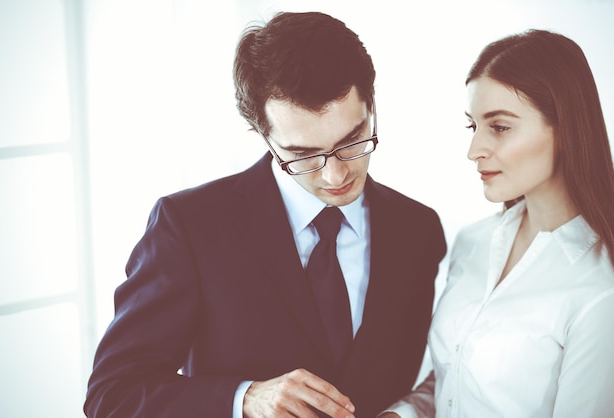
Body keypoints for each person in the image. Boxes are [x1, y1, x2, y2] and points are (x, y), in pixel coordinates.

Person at [84, 11, 446, 418]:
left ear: (371, 105)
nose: (336, 174)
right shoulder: (189, 226)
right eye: (302, 155)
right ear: (262, 134)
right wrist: (244, 399)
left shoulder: (419, 231)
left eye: (353, 139)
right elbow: (112, 395)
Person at [380, 29, 614, 418]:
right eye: (473, 126)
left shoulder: (600, 288)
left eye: (500, 127)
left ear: (566, 129)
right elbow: (456, 378)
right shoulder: (473, 242)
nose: (474, 150)